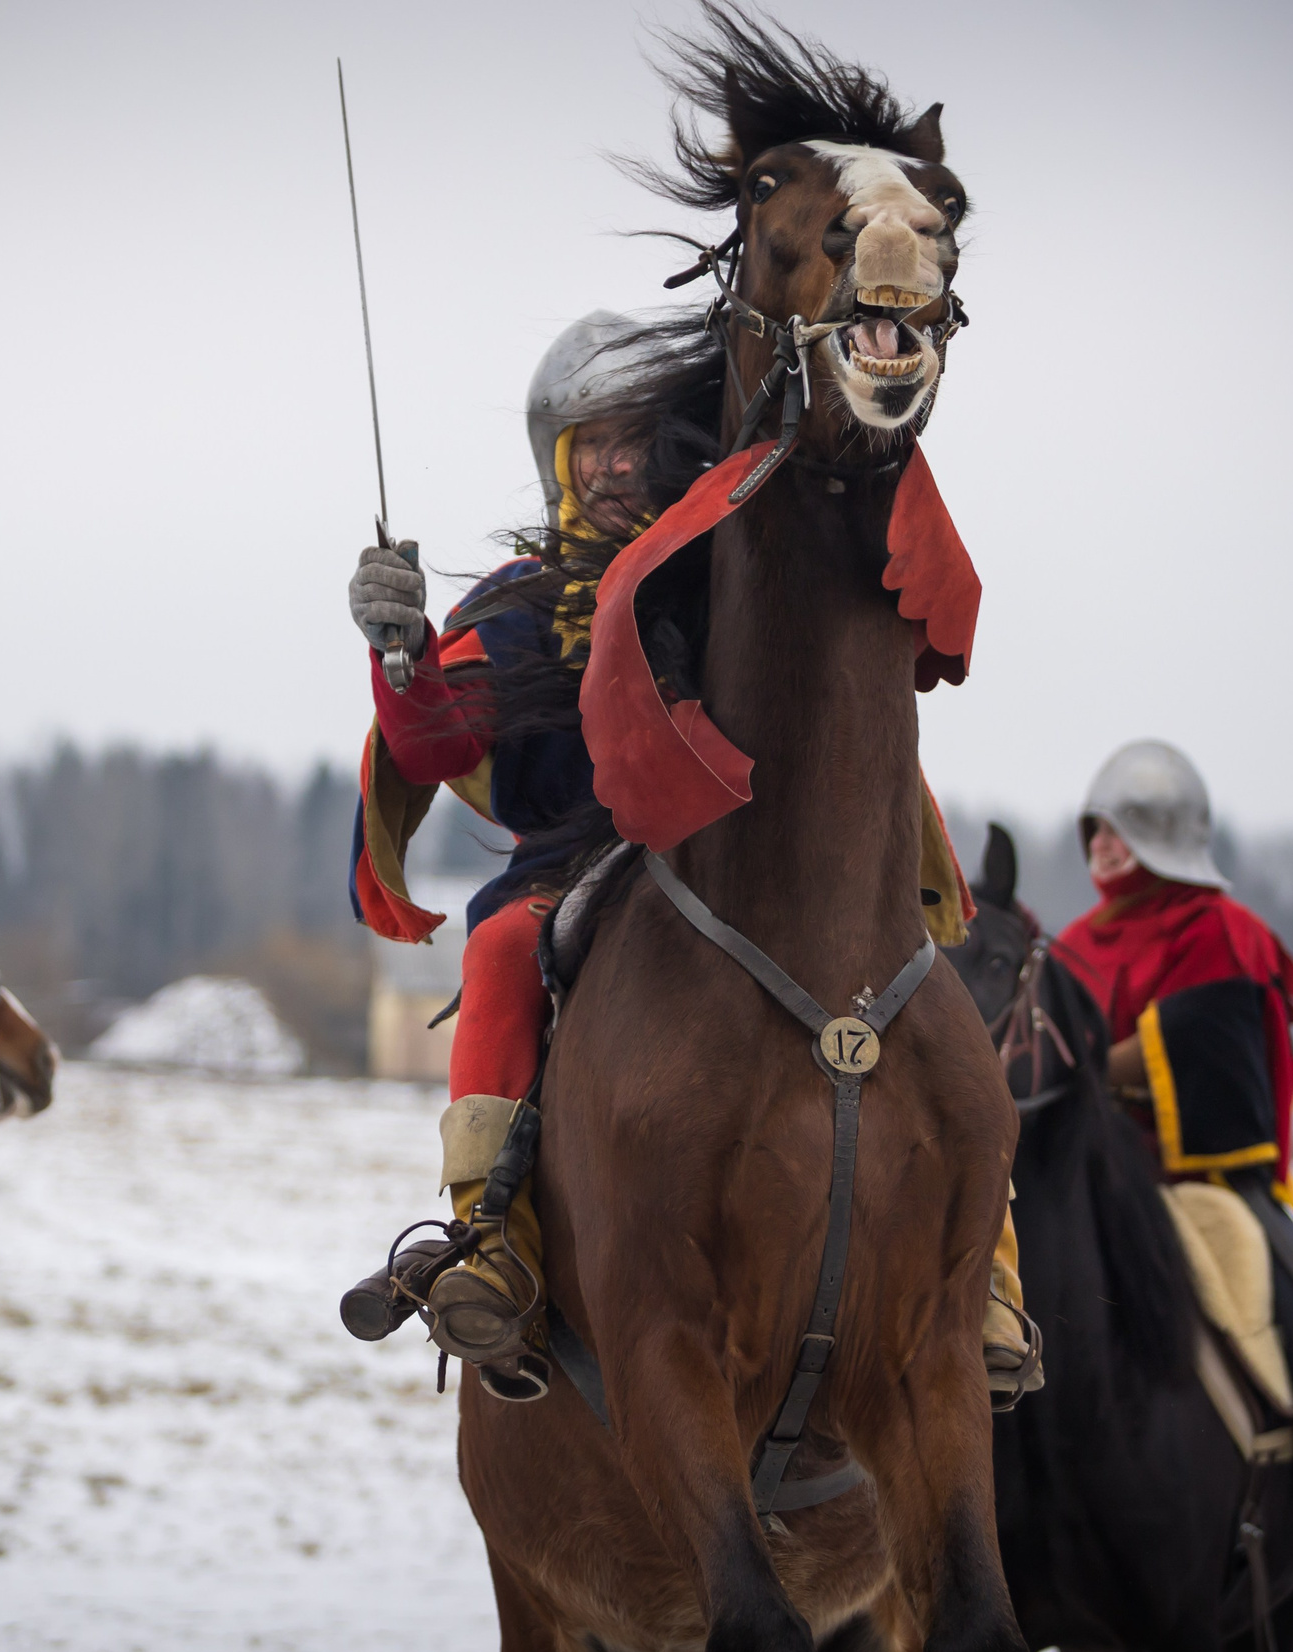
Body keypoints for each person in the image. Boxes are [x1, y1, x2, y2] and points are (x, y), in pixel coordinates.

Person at [344, 315, 1034, 1400]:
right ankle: (490, 1233)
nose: (617, 463)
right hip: (576, 874)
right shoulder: (523, 603)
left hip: (770, 873)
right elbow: (439, 739)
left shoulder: (745, 576)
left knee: (922, 992)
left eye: (637, 437)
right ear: (557, 459)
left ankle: (984, 1271)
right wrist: (401, 657)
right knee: (503, 952)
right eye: (592, 442)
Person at [1055, 738, 1293, 1553]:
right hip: (1085, 1168)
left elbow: (1207, 1046)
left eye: (1121, 830)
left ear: (1165, 837)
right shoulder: (1071, 944)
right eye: (1097, 831)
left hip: (1199, 1170)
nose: (1103, 847)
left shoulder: (1223, 929)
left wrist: (1101, 1068)